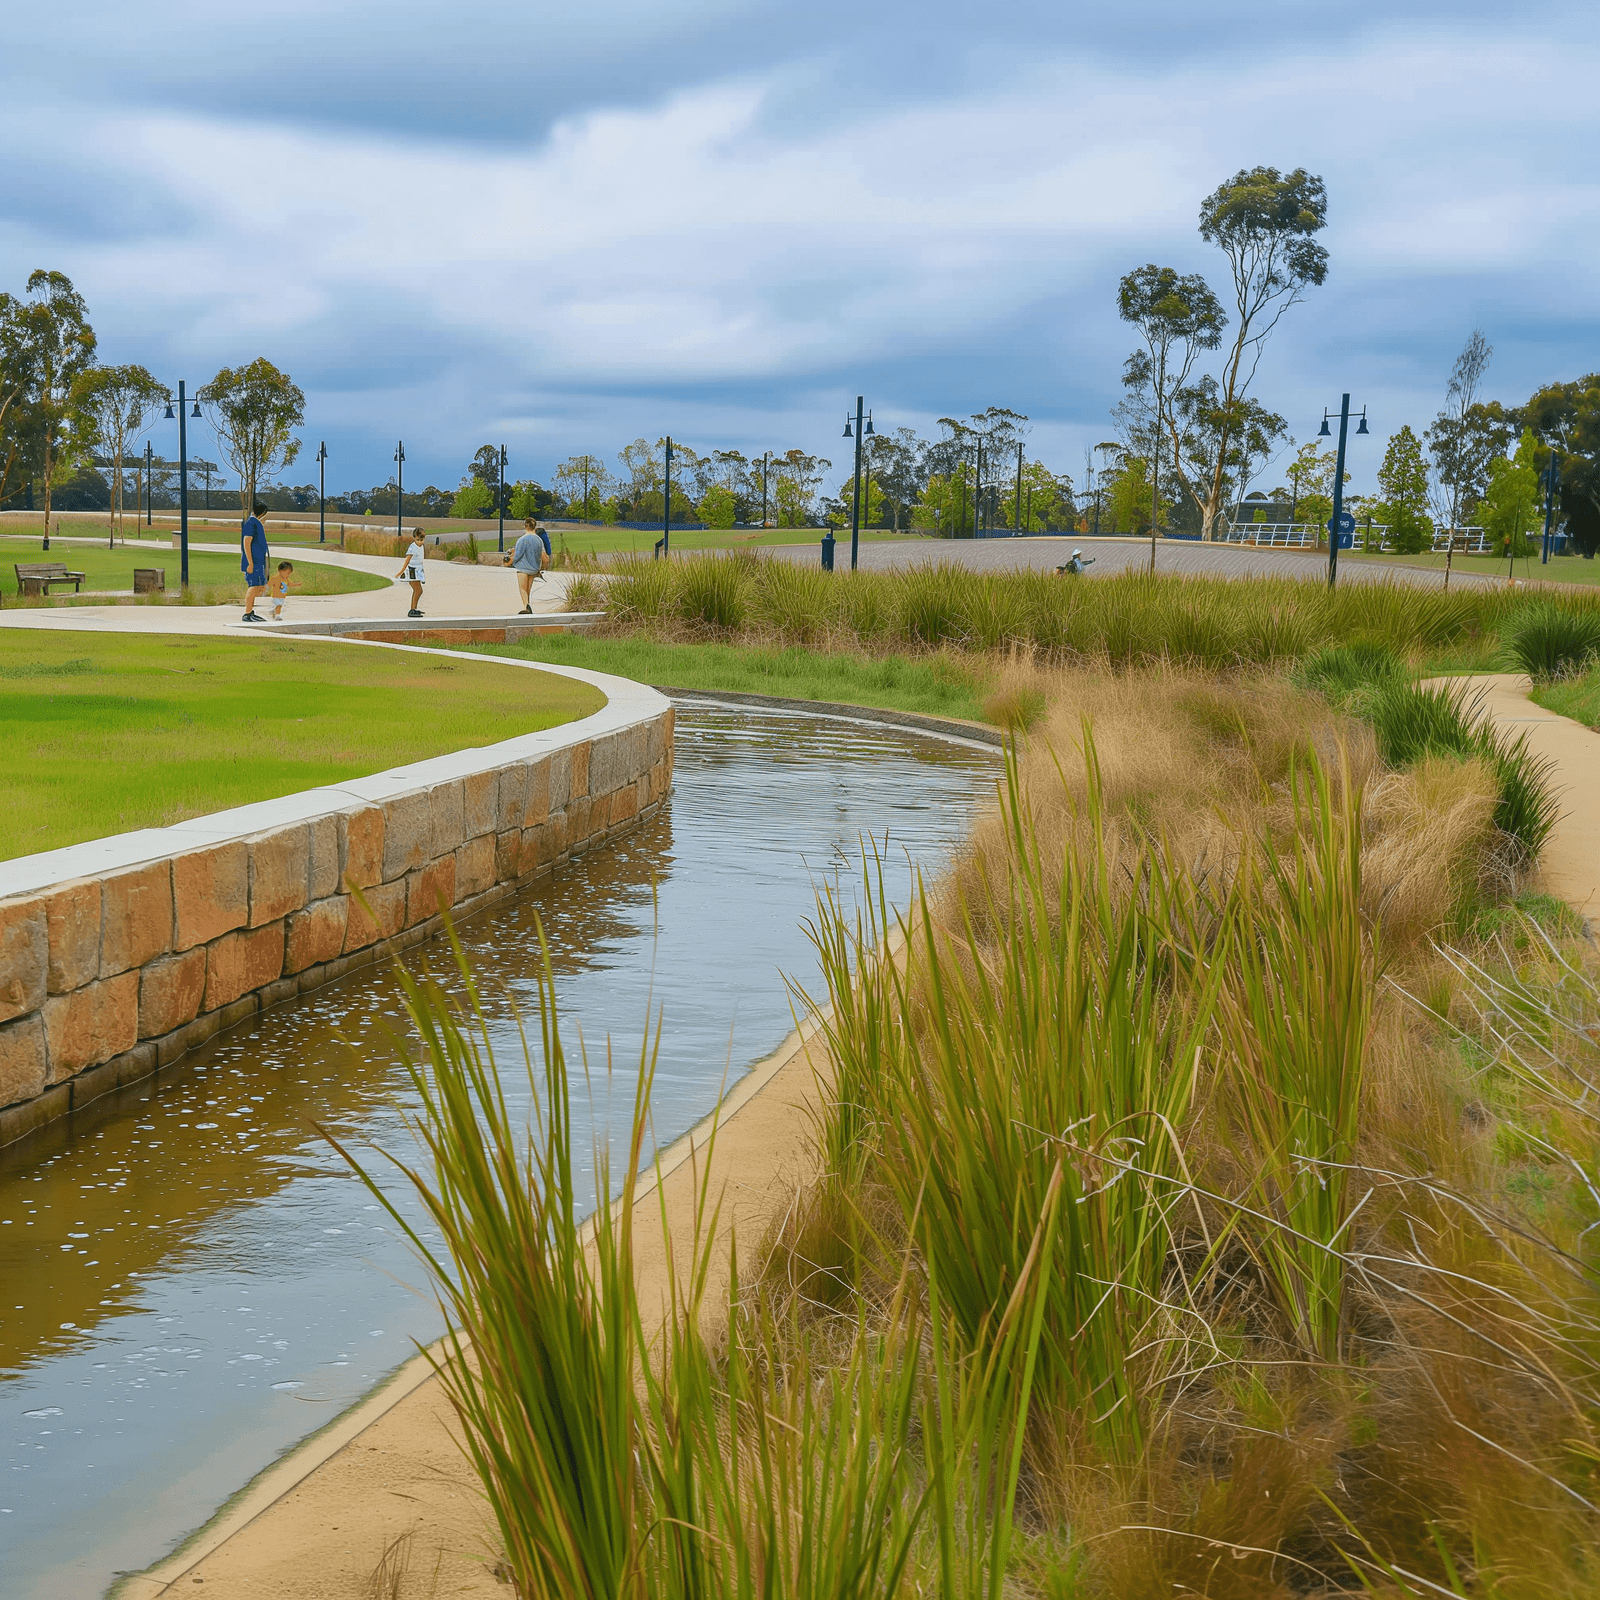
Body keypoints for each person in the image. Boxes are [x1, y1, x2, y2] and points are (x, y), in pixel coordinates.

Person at [505, 517, 549, 614]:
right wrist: (542, 568)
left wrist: (510, 562)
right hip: (534, 568)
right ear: (534, 526)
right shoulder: (539, 540)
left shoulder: (521, 540)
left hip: (522, 568)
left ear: (525, 526)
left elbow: (518, 555)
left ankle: (526, 607)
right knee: (528, 589)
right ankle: (527, 607)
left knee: (522, 589)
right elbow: (544, 556)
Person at [240, 500, 270, 620]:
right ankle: (247, 613)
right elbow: (247, 541)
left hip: (259, 561)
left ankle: (250, 611)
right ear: (263, 513)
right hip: (254, 562)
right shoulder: (251, 523)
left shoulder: (256, 523)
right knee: (253, 586)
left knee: (259, 586)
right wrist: (250, 563)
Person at [396, 529, 426, 616]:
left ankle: (414, 609)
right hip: (412, 571)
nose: (420, 542)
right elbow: (407, 560)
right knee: (418, 590)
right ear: (414, 538)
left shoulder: (421, 547)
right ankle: (412, 610)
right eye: (418, 540)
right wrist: (401, 571)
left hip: (418, 570)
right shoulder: (413, 547)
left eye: (421, 540)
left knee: (418, 590)